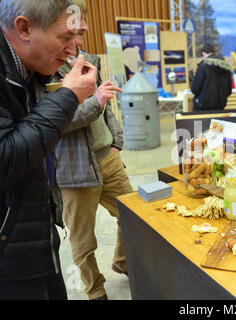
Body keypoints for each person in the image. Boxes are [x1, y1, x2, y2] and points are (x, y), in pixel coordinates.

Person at [0, 0, 97, 299]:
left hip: (37, 234)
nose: (73, 50)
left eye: (78, 36)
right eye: (65, 38)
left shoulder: (26, 70)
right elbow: (5, 158)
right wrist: (68, 96)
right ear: (24, 28)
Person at [51, 0, 134, 301]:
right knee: (83, 242)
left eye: (81, 33)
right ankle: (96, 291)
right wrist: (95, 100)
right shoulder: (47, 71)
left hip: (107, 159)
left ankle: (122, 263)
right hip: (74, 172)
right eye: (69, 34)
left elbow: (106, 107)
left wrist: (116, 141)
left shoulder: (86, 61)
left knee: (131, 214)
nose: (76, 43)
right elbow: (58, 121)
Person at [191, 43, 233, 111]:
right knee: (216, 122)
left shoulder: (203, 67)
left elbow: (194, 89)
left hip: (202, 108)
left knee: (197, 122)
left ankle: (198, 122)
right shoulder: (226, 67)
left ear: (204, 54)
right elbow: (229, 91)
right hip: (220, 107)